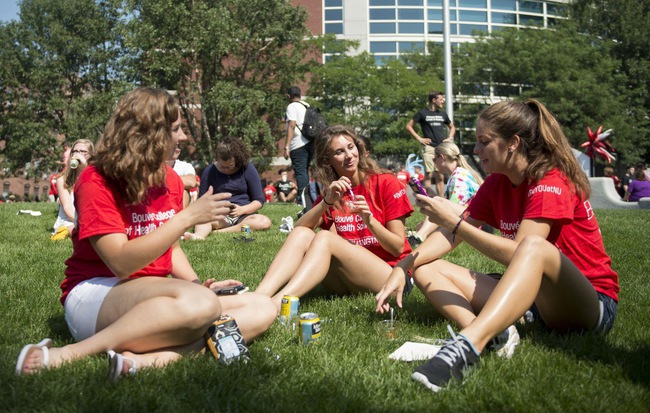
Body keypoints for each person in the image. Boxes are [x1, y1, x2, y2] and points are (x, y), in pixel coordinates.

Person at [15, 88, 275, 378]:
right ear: (150, 133)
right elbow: (121, 263)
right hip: (97, 293)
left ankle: (144, 362)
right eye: (175, 129)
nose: (183, 137)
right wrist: (187, 217)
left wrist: (196, 284)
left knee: (262, 307)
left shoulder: (171, 182)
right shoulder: (96, 179)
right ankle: (67, 354)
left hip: (151, 295)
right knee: (203, 305)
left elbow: (172, 250)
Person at [376, 99, 619, 392]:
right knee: (428, 267)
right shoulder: (496, 183)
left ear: (513, 143)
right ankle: (496, 334)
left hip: (589, 302)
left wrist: (454, 222)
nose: (476, 150)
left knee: (533, 247)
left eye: (484, 142)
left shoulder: (551, 179)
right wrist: (405, 264)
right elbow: (453, 236)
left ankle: (468, 346)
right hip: (537, 302)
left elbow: (519, 252)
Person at [255, 125, 414, 310]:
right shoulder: (336, 190)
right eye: (339, 151)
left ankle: (278, 303)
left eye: (351, 147)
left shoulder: (386, 182)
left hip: (392, 277)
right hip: (351, 277)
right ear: (327, 160)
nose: (349, 155)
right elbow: (300, 228)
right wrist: (326, 202)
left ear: (359, 148)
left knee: (325, 238)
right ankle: (259, 296)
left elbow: (397, 248)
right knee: (302, 234)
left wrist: (370, 221)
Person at [184, 137, 272, 240]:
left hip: (244, 215)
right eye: (222, 166)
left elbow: (259, 201)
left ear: (238, 160)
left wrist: (241, 210)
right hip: (219, 216)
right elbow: (202, 200)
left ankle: (220, 232)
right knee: (202, 220)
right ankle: (198, 236)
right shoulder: (209, 171)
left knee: (264, 222)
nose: (225, 170)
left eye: (230, 166)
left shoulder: (247, 169)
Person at [407, 141, 483, 248]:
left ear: (442, 157)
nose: (434, 163)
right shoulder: (458, 174)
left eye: (434, 159)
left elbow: (447, 212)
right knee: (422, 224)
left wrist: (435, 201)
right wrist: (433, 196)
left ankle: (419, 236)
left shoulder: (459, 177)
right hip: (469, 219)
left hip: (473, 224)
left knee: (436, 208)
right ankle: (419, 234)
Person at [406, 91, 456, 197]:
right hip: (428, 147)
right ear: (434, 100)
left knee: (440, 175)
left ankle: (441, 202)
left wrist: (449, 137)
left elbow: (452, 127)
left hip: (440, 147)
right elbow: (409, 126)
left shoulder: (442, 114)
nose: (443, 101)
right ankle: (427, 202)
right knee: (428, 174)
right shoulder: (422, 113)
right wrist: (419, 138)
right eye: (441, 99)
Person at [51, 139, 95, 241]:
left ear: (91, 156)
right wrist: (84, 223)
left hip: (90, 219)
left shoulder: (95, 177)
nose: (78, 154)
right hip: (70, 221)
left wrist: (85, 167)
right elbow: (68, 209)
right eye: (75, 151)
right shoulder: (62, 179)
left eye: (83, 152)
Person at [284, 86, 314, 203]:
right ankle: (307, 198)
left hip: (298, 145)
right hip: (310, 142)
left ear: (288, 96)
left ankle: (302, 201)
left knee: (301, 172)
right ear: (300, 95)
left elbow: (292, 125)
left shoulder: (291, 106)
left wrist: (286, 146)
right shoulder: (306, 105)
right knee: (305, 172)